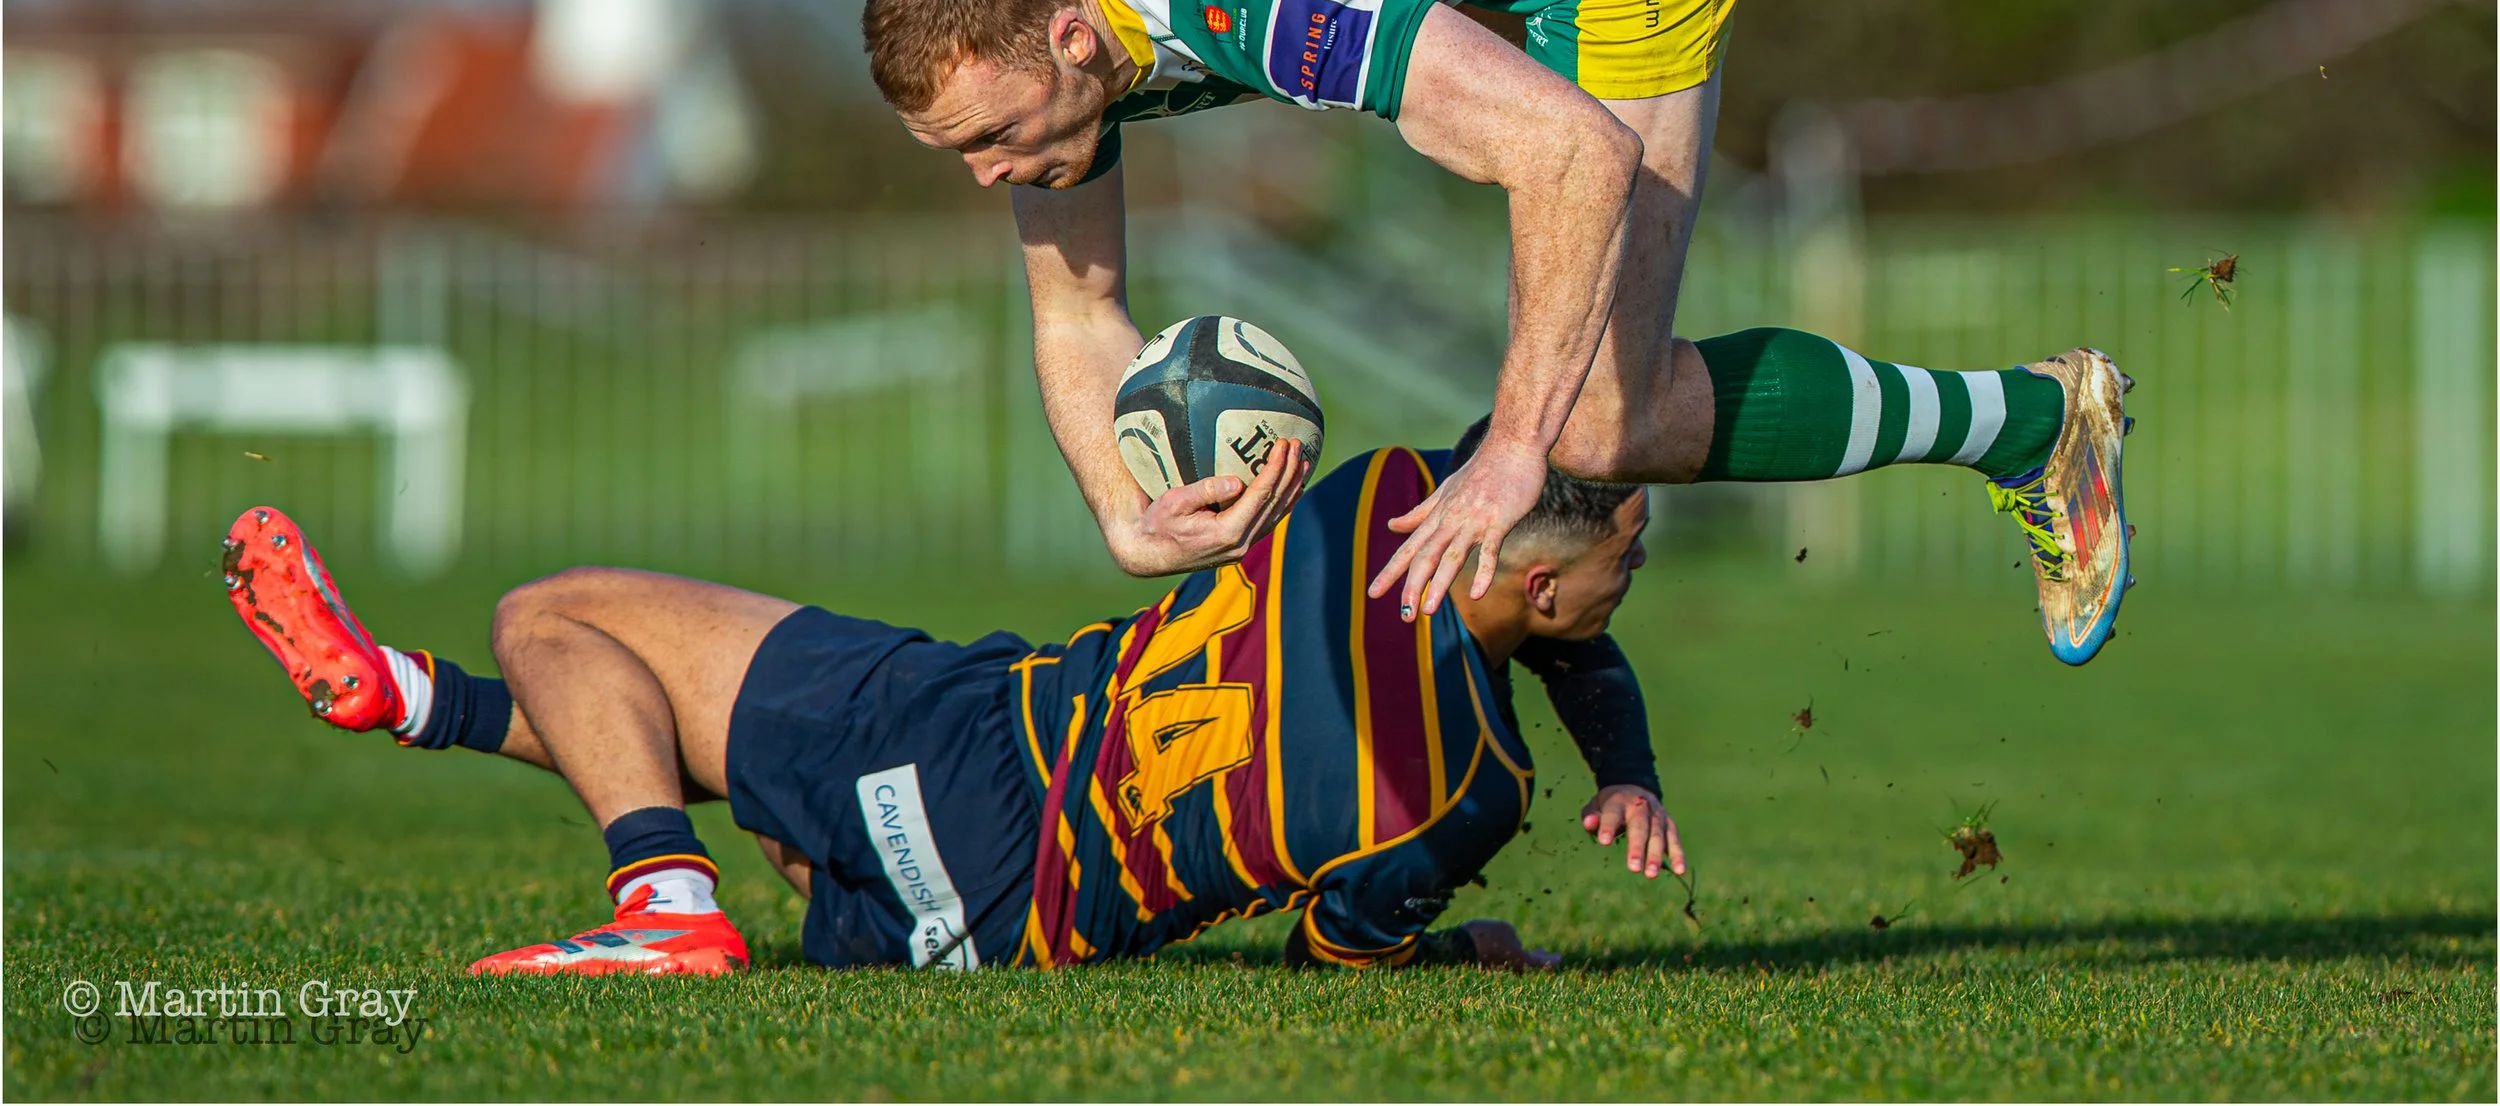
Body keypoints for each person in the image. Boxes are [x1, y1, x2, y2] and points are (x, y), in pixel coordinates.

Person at [860, 0, 2134, 666]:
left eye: (990, 137)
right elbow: (1077, 311)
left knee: (1605, 420)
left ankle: (2038, 424)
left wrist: (1514, 452)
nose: (984, 173)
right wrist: (1124, 515)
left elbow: (1573, 155)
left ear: (1073, 40)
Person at [219, 421, 1671, 975]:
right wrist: (1475, 935)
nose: (1635, 575)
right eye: (1629, 553)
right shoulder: (1471, 793)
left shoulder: (1387, 493)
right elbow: (1334, 952)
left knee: (559, 613)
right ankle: (412, 696)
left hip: (975, 737)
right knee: (669, 734)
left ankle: (661, 897)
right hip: (995, 929)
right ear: (1542, 591)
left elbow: (1531, 569)